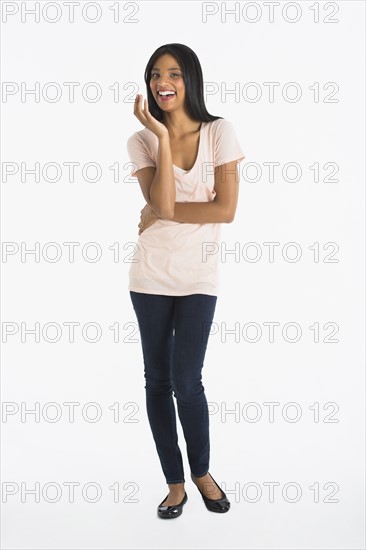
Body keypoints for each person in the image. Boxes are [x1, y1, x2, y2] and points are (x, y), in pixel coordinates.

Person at [126, 43, 245, 519]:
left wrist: (159, 213)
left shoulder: (220, 133)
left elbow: (225, 210)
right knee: (157, 380)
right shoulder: (140, 140)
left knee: (186, 380)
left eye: (172, 73)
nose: (161, 82)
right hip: (149, 275)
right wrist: (157, 134)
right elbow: (165, 203)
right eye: (155, 74)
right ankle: (174, 483)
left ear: (190, 79)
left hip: (199, 277)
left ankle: (201, 472)